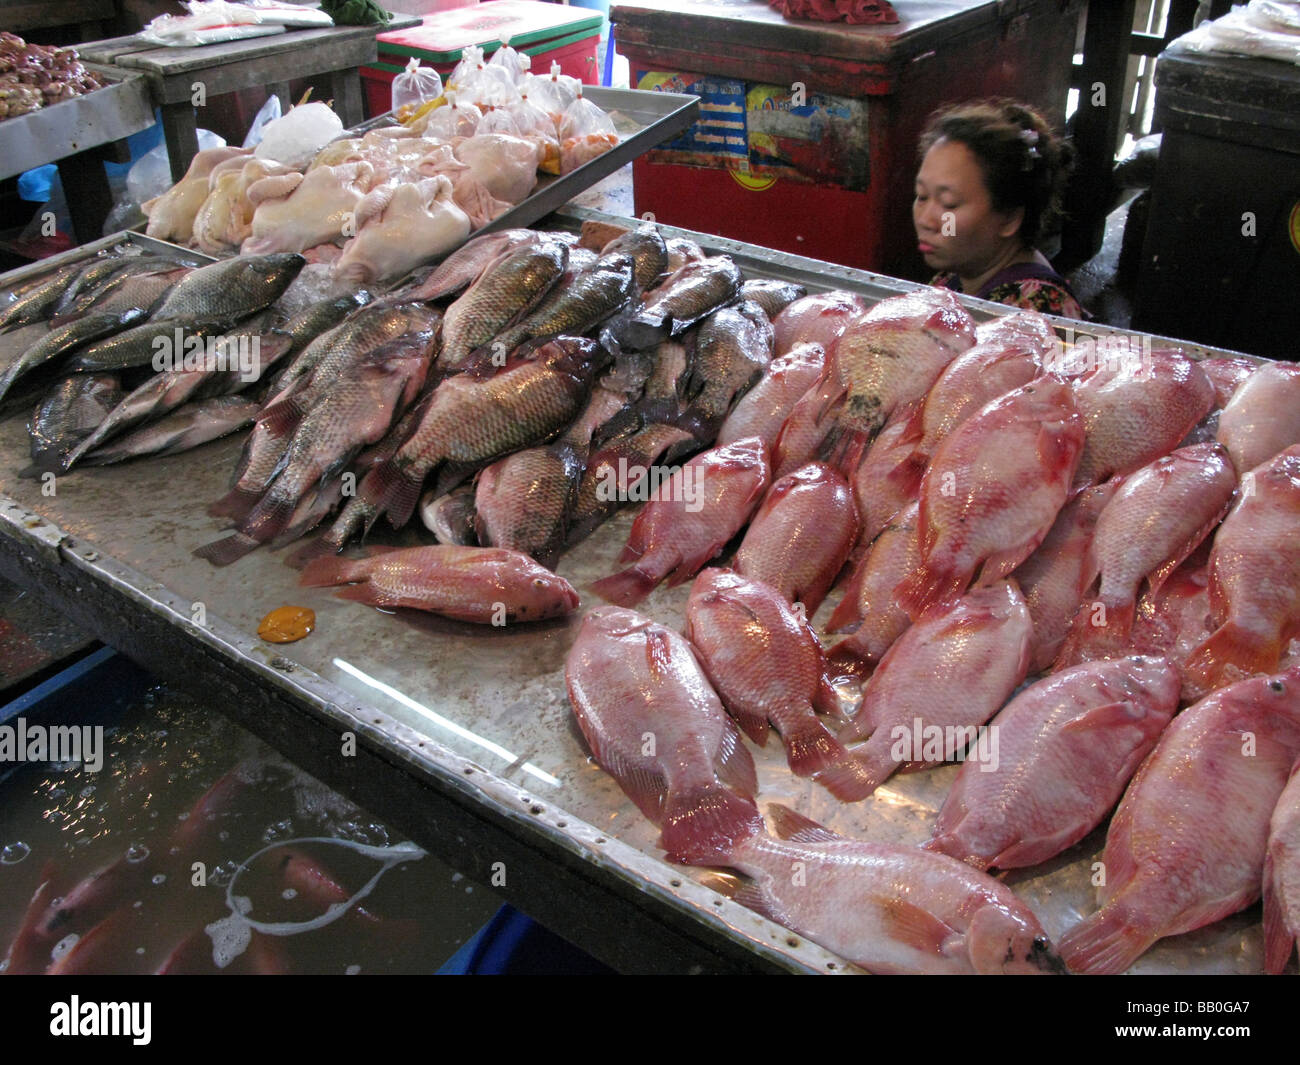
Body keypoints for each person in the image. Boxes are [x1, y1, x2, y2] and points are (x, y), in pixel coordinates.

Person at [913, 100, 1087, 319]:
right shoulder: (955, 275)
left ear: (1009, 218)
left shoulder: (1030, 313)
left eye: (949, 204)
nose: (926, 221)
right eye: (921, 196)